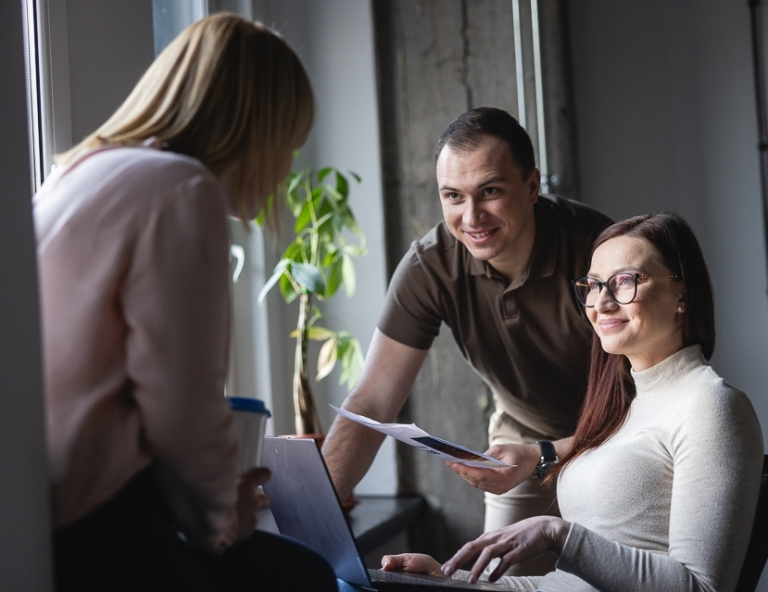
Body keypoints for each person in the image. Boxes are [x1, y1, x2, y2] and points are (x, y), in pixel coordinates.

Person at [34, 14, 337, 592]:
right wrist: (221, 516)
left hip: (44, 503)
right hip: (93, 518)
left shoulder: (79, 174)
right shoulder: (180, 189)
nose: (285, 168)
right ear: (255, 130)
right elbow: (178, 402)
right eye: (286, 145)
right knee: (306, 579)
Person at [381, 212, 764, 591]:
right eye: (594, 285)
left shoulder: (712, 407)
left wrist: (558, 534)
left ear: (683, 293)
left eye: (625, 281)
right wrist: (451, 581)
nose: (602, 303)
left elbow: (702, 588)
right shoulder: (627, 410)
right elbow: (565, 585)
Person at [322, 107, 611, 574]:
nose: (471, 216)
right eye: (453, 196)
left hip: (619, 434)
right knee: (495, 581)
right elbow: (373, 400)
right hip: (522, 437)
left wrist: (547, 455)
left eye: (490, 191)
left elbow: (650, 406)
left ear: (533, 187)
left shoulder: (601, 251)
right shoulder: (430, 265)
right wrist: (313, 521)